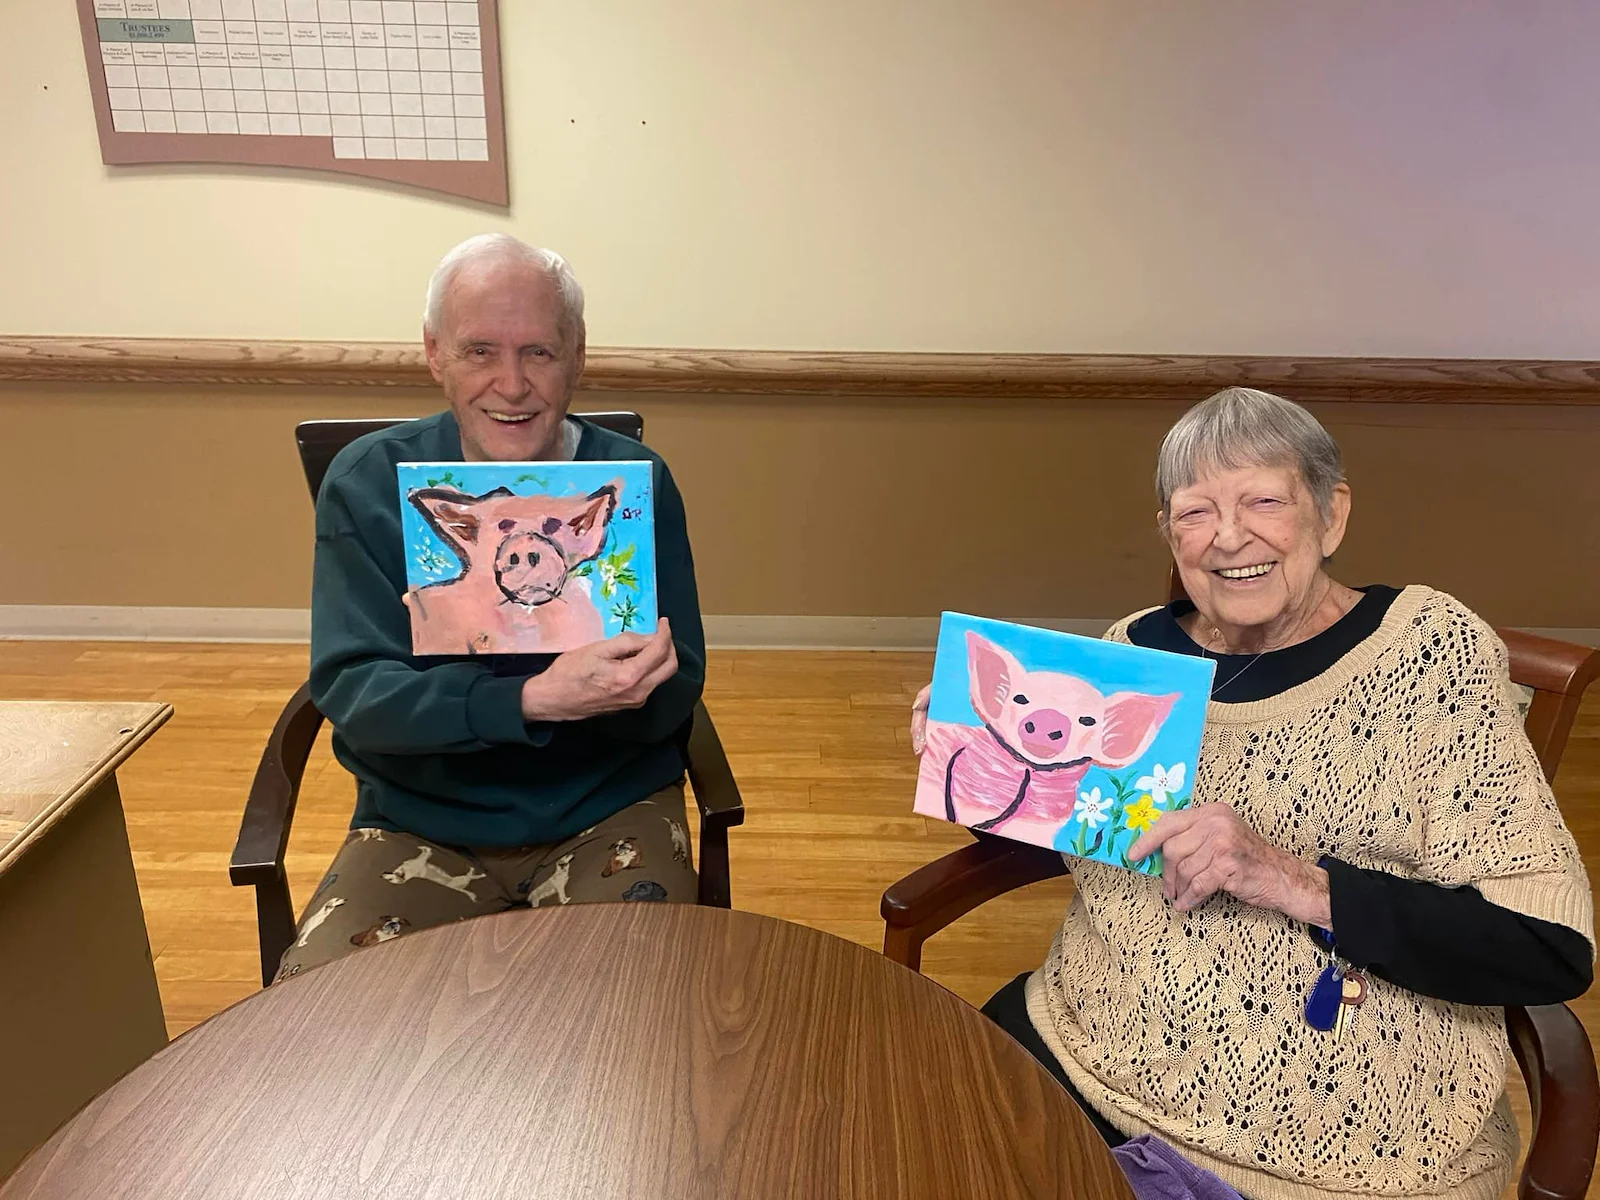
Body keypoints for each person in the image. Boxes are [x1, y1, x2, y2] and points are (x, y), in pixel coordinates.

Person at [911, 388, 1593, 1200]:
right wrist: (977, 752)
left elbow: (1548, 947)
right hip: (1086, 1053)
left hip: (1340, 1144)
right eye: (1195, 512)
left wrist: (1292, 879)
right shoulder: (1133, 653)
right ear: (1169, 534)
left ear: (1330, 515)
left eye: (1265, 500)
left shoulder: (1429, 653)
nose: (1230, 537)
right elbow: (1085, 834)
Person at [276, 234, 705, 980]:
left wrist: (641, 687)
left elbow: (678, 689)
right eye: (480, 351)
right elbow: (355, 693)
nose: (511, 385)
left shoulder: (633, 483)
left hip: (607, 811)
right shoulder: (369, 484)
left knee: (645, 1026)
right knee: (319, 1035)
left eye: (538, 352)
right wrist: (535, 700)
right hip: (420, 823)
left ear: (577, 356)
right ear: (434, 353)